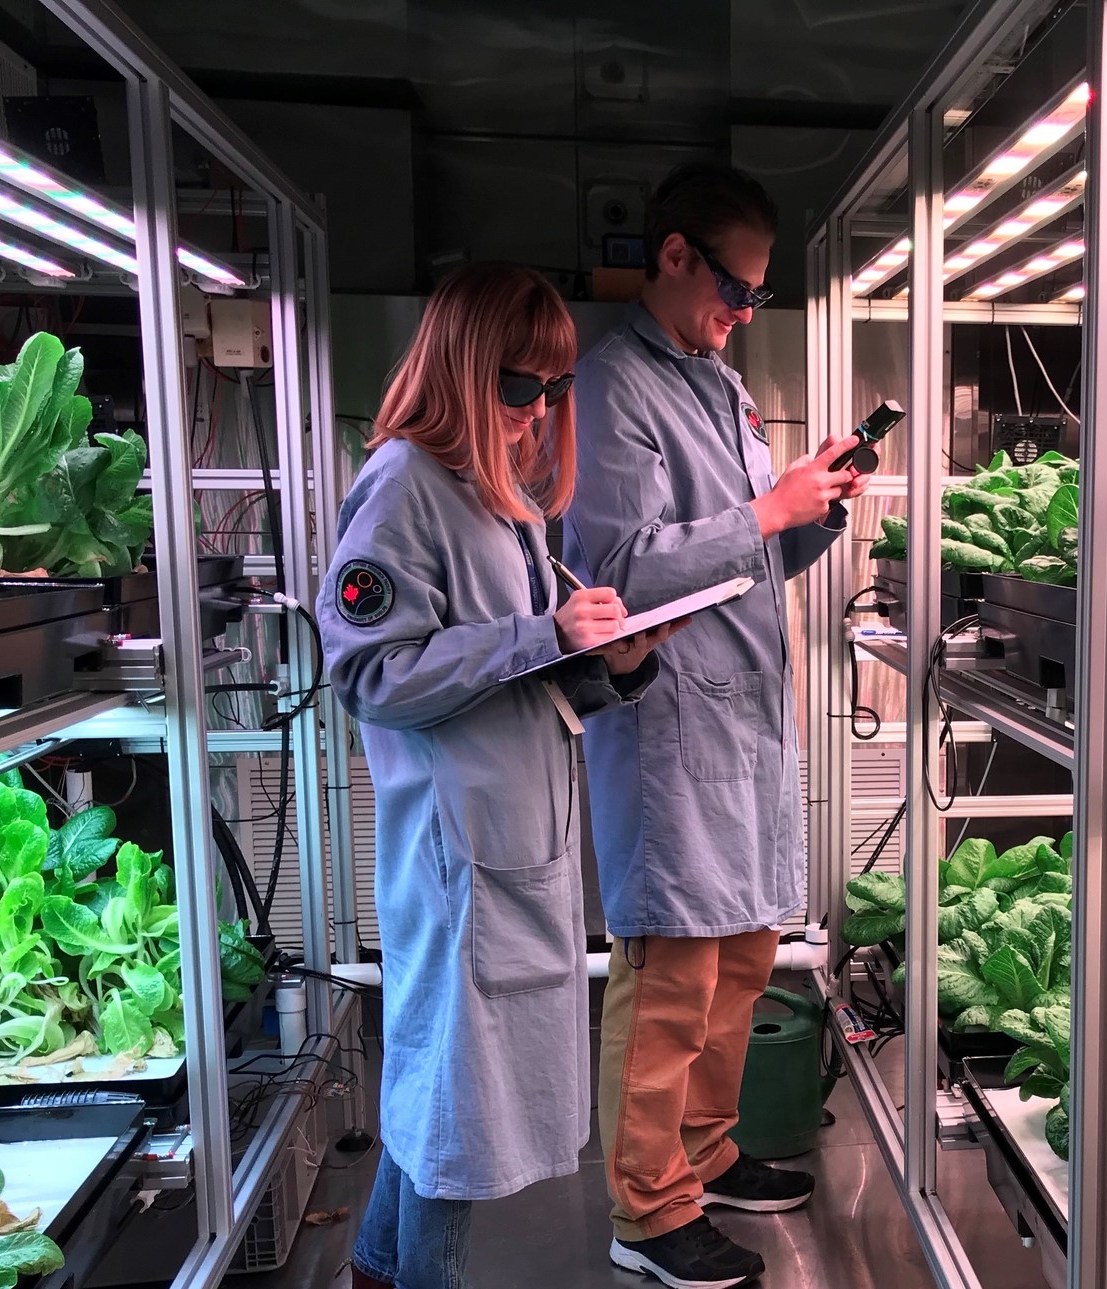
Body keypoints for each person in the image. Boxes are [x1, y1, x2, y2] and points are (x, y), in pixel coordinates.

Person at [321, 261, 681, 1289]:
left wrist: (611, 664)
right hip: (456, 857)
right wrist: (538, 635)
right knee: (455, 1117)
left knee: (443, 1089)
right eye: (516, 388)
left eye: (550, 391)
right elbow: (369, 669)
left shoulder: (504, 501)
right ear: (458, 369)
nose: (534, 415)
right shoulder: (403, 484)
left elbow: (526, 678)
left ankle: (379, 1266)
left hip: (513, 843)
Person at [565, 163, 869, 1289]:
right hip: (668, 731)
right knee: (672, 978)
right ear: (675, 255)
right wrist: (762, 510)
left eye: (756, 299)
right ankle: (643, 1213)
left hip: (742, 726)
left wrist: (811, 513)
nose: (741, 314)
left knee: (742, 961)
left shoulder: (717, 385)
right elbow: (617, 572)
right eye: (731, 290)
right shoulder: (611, 390)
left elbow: (753, 555)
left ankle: (702, 1158)